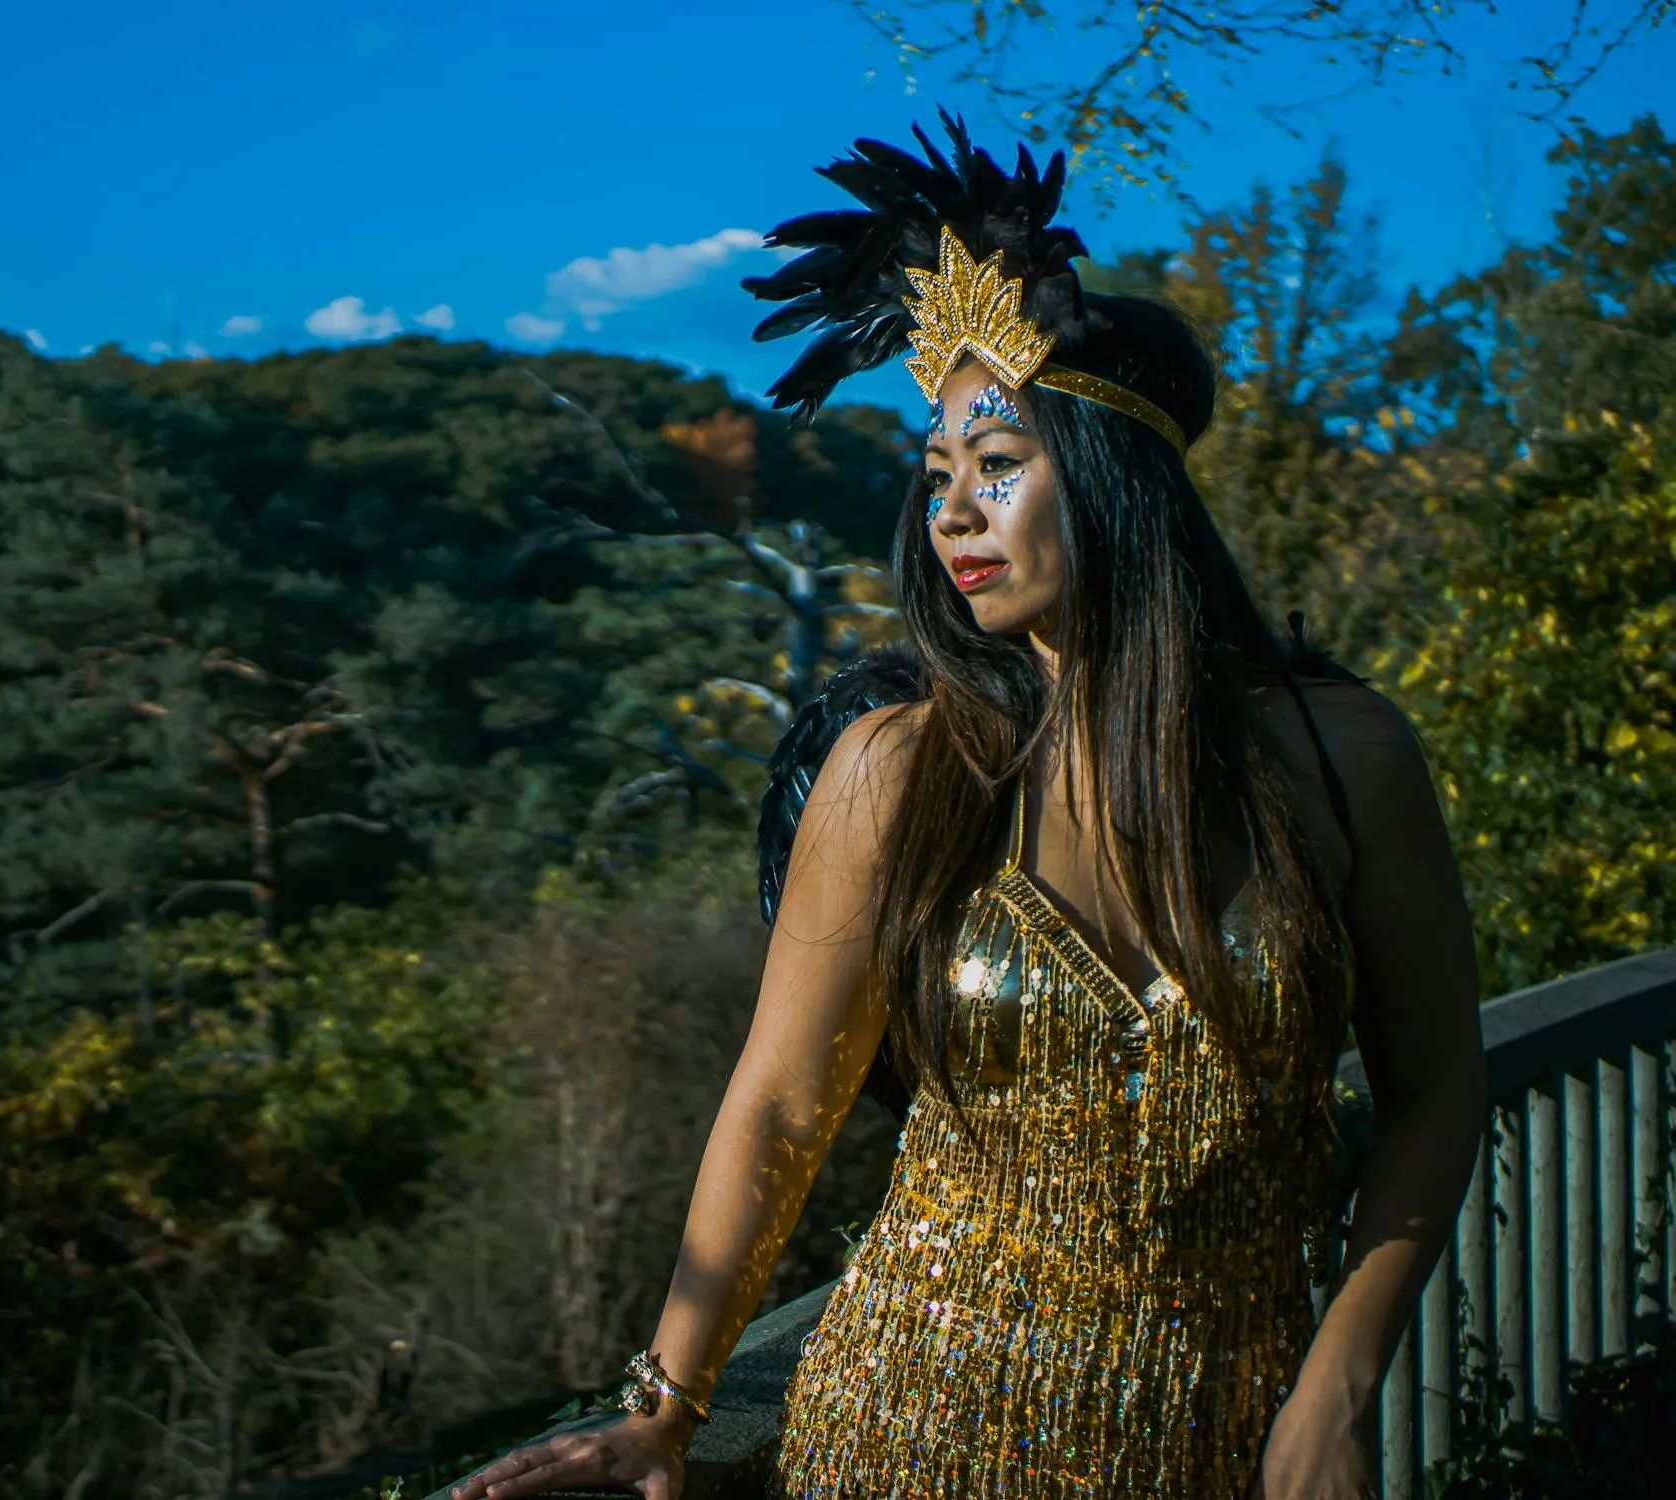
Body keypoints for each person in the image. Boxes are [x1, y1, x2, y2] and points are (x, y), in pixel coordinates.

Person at [452, 114, 1486, 1500]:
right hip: (906, 1429)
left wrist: (1336, 1388)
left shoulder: (1342, 754)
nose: (952, 515)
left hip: (1221, 1443)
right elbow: (779, 1103)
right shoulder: (898, 769)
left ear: (1113, 478)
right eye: (937, 478)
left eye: (996, 465)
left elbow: (1434, 1090)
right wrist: (663, 1407)